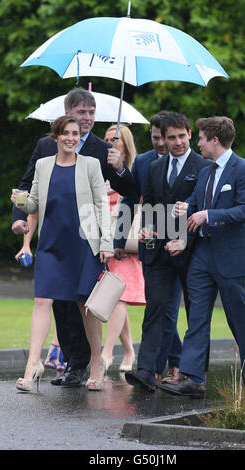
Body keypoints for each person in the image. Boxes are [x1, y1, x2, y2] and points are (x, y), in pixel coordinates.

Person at [11, 87, 134, 388]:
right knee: (51, 303)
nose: (87, 120)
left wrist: (118, 167)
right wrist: (18, 211)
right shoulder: (44, 152)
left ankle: (91, 362)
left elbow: (125, 191)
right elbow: (31, 193)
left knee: (84, 305)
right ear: (64, 118)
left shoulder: (100, 153)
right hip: (53, 241)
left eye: (91, 114)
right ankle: (45, 365)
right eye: (81, 113)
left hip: (84, 239)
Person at [159, 116, 245, 398]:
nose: (198, 142)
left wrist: (208, 215)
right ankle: (193, 378)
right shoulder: (206, 170)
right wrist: (186, 206)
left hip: (231, 257)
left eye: (201, 138)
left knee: (237, 316)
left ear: (215, 140)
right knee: (198, 317)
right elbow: (195, 201)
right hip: (202, 255)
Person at [125, 112, 210, 391]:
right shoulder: (155, 166)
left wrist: (184, 237)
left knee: (195, 314)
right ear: (163, 137)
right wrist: (147, 227)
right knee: (155, 308)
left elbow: (206, 208)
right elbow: (149, 204)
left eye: (182, 136)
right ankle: (147, 371)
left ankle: (195, 377)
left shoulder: (205, 166)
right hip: (159, 252)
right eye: (170, 137)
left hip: (193, 253)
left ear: (189, 134)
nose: (177, 142)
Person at [114, 112, 184, 383]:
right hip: (150, 244)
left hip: (179, 247)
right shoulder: (143, 163)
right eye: (155, 138)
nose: (159, 143)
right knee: (158, 307)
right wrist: (119, 241)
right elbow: (129, 200)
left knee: (167, 309)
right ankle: (169, 363)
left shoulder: (188, 164)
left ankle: (160, 367)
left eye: (162, 138)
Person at [101, 124, 145, 374]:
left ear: (126, 144)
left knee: (117, 297)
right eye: (106, 139)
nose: (110, 143)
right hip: (105, 242)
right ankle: (129, 350)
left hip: (125, 242)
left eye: (115, 139)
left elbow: (137, 201)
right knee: (118, 298)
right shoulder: (101, 171)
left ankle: (106, 353)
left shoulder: (134, 171)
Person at [15, 213, 66, 371]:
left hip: (76, 243)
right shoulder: (40, 187)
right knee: (43, 300)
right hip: (48, 246)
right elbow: (34, 210)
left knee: (67, 300)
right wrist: (26, 244)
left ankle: (59, 349)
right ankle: (34, 362)